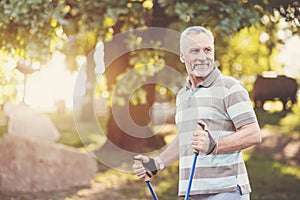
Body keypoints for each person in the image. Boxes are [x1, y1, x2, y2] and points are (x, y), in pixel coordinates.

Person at [132, 26, 261, 200]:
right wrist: (156, 163)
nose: (202, 56)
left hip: (226, 191)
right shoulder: (183, 95)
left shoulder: (230, 87)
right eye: (194, 51)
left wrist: (214, 145)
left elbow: (252, 133)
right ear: (182, 56)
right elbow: (186, 140)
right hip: (191, 193)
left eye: (207, 49)